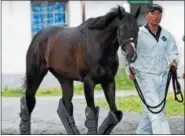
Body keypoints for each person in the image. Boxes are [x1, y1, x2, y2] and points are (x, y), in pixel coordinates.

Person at [125, 4, 179, 134]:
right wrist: (129, 70)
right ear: (147, 15)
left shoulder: (167, 34)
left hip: (163, 76)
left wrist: (174, 62)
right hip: (145, 76)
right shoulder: (138, 34)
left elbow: (173, 52)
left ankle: (142, 132)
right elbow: (129, 54)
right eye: (153, 13)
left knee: (156, 110)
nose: (156, 16)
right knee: (156, 112)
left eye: (158, 14)